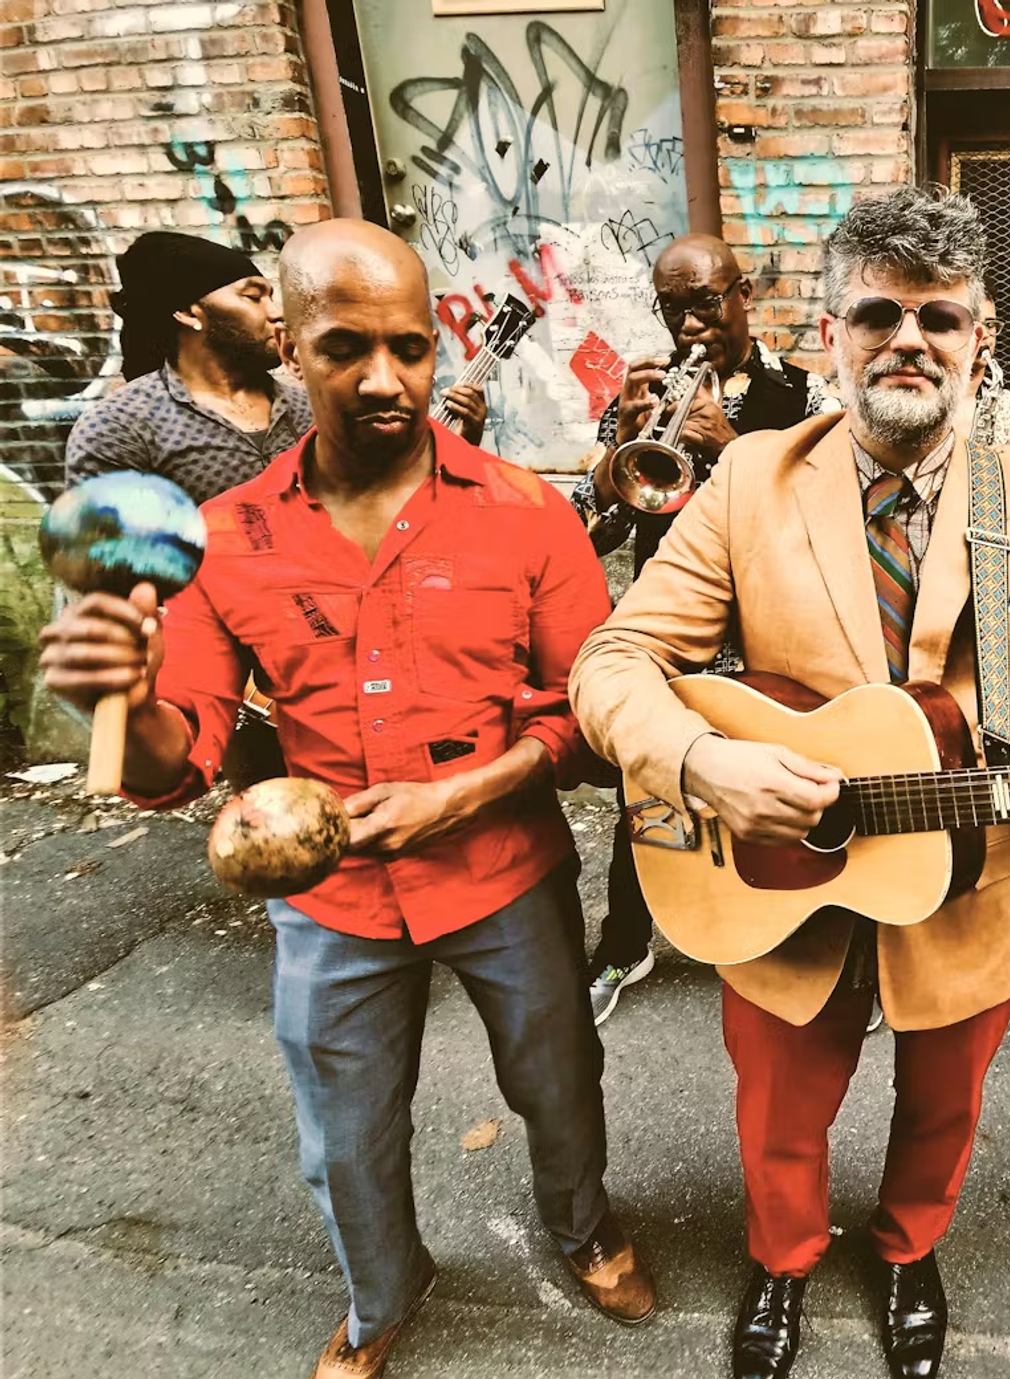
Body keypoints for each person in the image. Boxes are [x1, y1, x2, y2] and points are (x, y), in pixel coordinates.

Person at [569, 186, 1010, 1379]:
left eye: (939, 318)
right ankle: (783, 1256)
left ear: (980, 334)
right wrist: (703, 759)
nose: (910, 339)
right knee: (778, 1115)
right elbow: (615, 658)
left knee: (943, 1109)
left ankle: (908, 1247)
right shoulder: (747, 480)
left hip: (969, 877)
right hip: (773, 880)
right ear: (832, 333)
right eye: (880, 314)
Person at [37, 220, 655, 1379]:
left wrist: (474, 791)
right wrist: (116, 701)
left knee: (559, 1081)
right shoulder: (230, 536)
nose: (386, 379)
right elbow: (177, 760)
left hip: (507, 871)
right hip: (330, 898)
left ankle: (585, 1226)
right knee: (345, 1136)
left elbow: (592, 714)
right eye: (345, 347)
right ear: (291, 344)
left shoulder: (528, 510)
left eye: (411, 348)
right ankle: (381, 1294)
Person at [572, 232, 838, 1026]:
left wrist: (735, 451)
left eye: (706, 302)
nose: (690, 324)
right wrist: (618, 452)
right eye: (672, 307)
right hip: (678, 638)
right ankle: (628, 940)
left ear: (743, 293)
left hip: (779, 640)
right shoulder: (643, 395)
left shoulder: (808, 395)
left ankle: (815, 945)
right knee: (649, 787)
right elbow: (592, 536)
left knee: (799, 798)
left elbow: (836, 525)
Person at [67, 229, 485, 506]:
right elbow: (110, 569)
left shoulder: (309, 409)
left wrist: (457, 447)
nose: (275, 314)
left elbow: (381, 501)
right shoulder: (122, 428)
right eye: (253, 297)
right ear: (189, 314)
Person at [958, 276, 1010, 454]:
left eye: (991, 324)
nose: (984, 333)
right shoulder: (928, 400)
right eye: (973, 323)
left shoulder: (1009, 405)